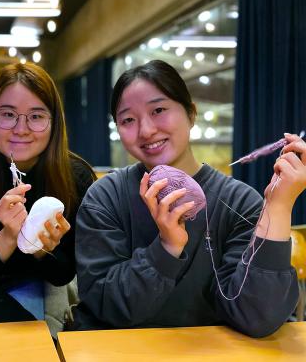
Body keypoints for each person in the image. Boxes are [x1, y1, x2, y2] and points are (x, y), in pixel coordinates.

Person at [74, 60, 305, 337]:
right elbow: (103, 306)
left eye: (158, 110)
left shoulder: (238, 201)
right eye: (128, 120)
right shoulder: (105, 197)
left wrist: (278, 207)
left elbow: (258, 317)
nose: (146, 130)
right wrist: (167, 248)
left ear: (191, 114)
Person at [0, 63, 95, 333]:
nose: (21, 129)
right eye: (8, 114)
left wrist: (40, 247)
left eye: (36, 116)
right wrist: (7, 237)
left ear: (54, 122)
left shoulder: (76, 176)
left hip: (45, 290)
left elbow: (63, 274)